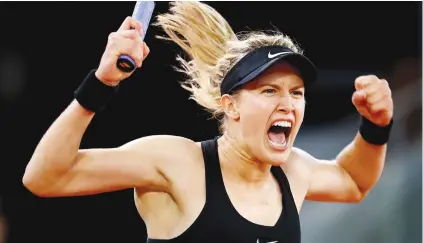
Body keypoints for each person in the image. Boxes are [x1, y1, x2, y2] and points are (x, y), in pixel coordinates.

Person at [22, 2, 394, 243]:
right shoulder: (178, 163)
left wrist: (376, 127)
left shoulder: (293, 171)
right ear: (231, 106)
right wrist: (100, 84)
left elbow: (353, 181)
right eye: (269, 91)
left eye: (296, 93)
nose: (287, 104)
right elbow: (46, 176)